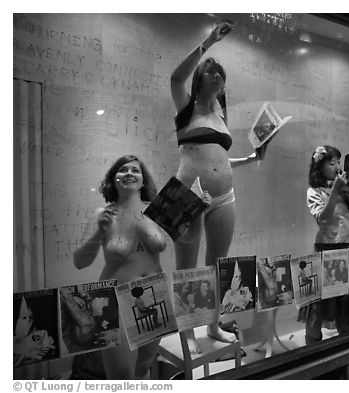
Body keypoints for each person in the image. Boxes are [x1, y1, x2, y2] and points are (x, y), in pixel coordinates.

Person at [170, 19, 266, 352]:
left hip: (225, 195)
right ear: (199, 79)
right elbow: (175, 77)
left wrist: (251, 159)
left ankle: (212, 324)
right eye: (210, 71)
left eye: (220, 74)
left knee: (217, 264)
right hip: (187, 194)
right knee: (186, 270)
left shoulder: (221, 116)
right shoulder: (186, 107)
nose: (216, 75)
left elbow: (219, 160)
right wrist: (208, 42)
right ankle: (187, 334)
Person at [71, 155, 166, 379]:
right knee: (122, 375)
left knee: (143, 367)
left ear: (143, 181)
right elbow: (79, 262)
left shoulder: (156, 212)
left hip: (155, 296)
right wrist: (98, 232)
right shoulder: (104, 214)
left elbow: (186, 239)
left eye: (136, 170)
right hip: (116, 300)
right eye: (123, 170)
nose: (129, 173)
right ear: (114, 180)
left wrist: (199, 205)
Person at [300, 145, 349, 344]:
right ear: (319, 167)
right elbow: (322, 218)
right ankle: (311, 348)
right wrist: (334, 192)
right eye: (332, 163)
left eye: (338, 162)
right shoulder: (314, 191)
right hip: (327, 250)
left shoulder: (347, 189)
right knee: (320, 305)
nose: (337, 167)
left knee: (347, 305)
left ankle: (344, 348)